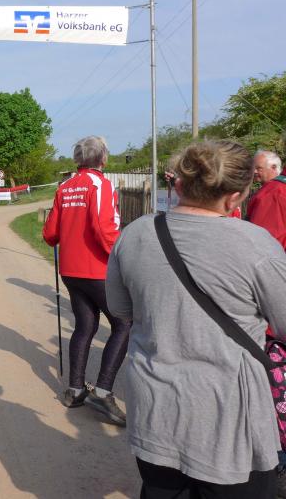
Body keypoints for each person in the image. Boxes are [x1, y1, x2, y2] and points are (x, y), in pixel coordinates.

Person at [106, 140, 286, 497]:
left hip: (155, 408)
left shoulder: (136, 233)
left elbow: (120, 310)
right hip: (228, 420)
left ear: (179, 183)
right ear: (235, 197)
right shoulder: (256, 244)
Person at [42, 135, 130, 426]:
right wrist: (123, 258)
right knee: (123, 324)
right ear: (103, 158)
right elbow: (105, 228)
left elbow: (50, 235)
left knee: (86, 325)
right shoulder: (101, 184)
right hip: (98, 270)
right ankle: (102, 392)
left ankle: (75, 390)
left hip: (70, 270)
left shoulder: (65, 186)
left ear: (77, 159)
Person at [247, 150, 286, 249]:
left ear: (274, 167)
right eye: (253, 168)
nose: (254, 171)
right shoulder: (273, 191)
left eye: (258, 168)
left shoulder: (274, 192)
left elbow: (265, 238)